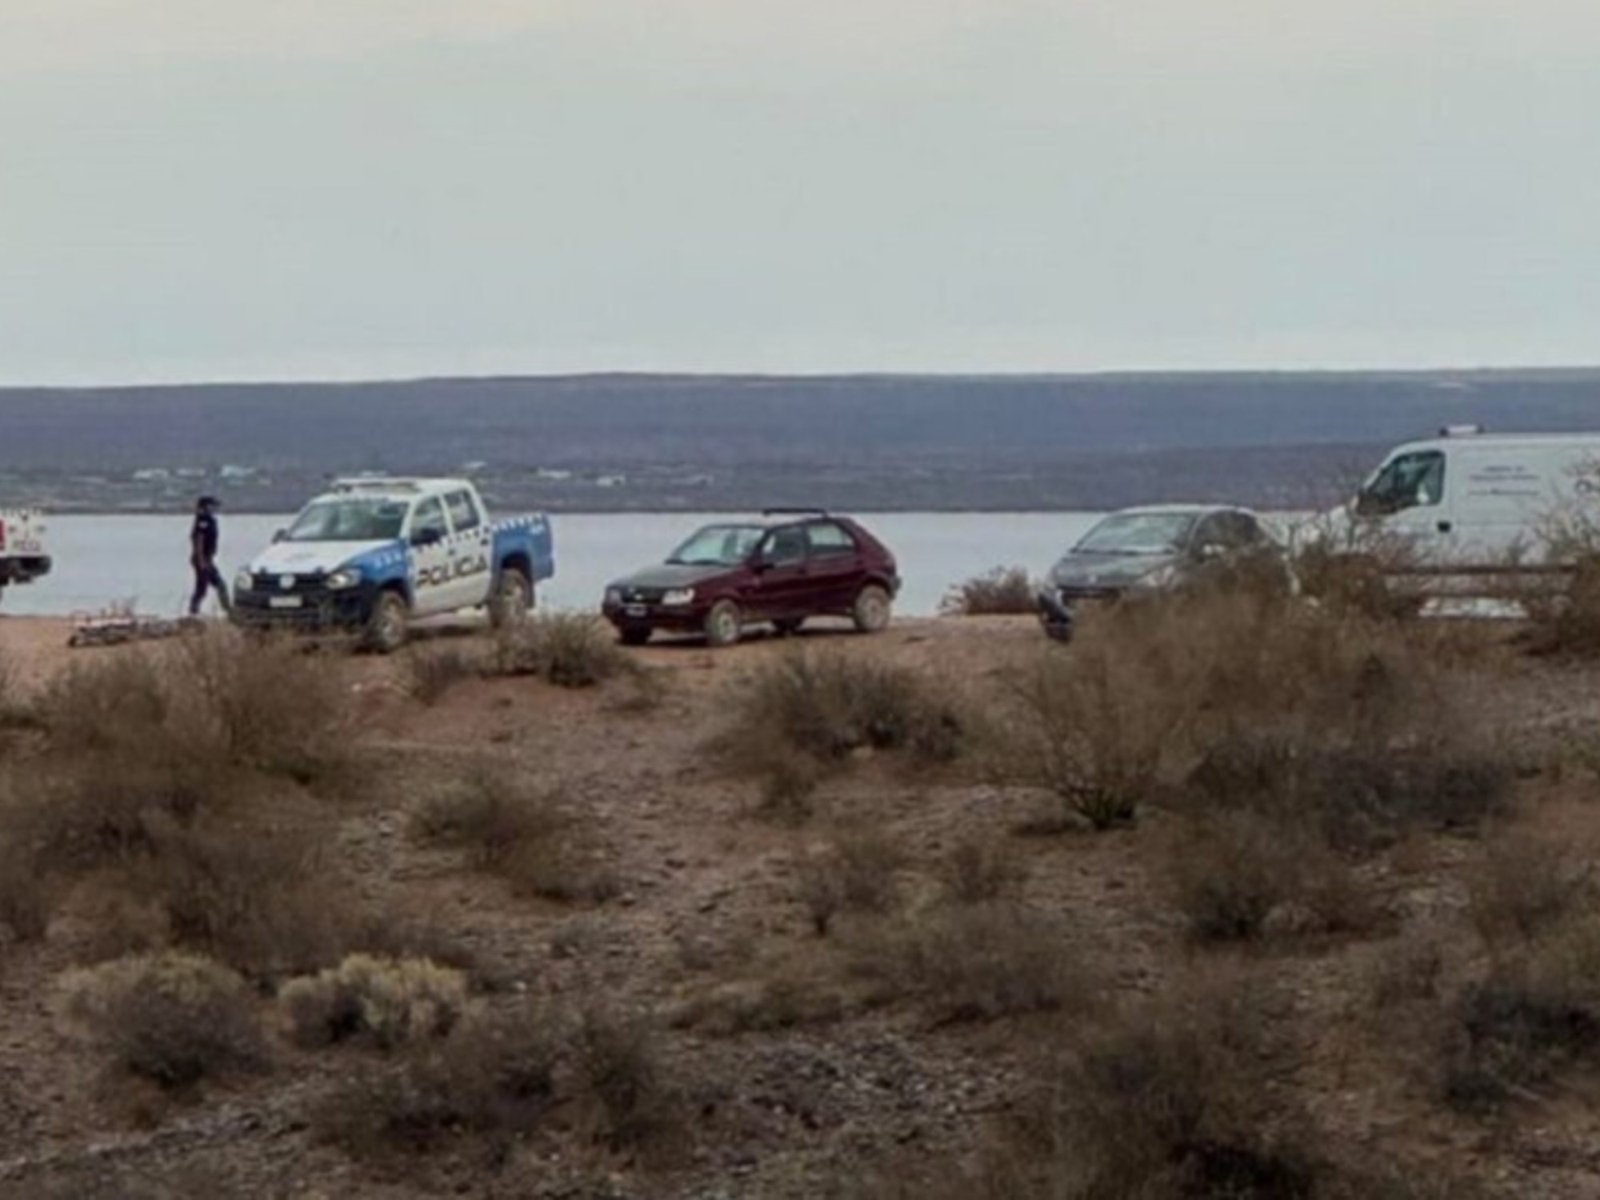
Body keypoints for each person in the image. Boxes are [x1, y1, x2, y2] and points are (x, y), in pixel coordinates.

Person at [189, 495, 230, 616]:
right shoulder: (202, 521)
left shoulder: (210, 520)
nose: (214, 508)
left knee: (219, 585)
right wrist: (201, 561)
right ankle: (193, 611)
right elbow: (198, 541)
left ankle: (228, 610)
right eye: (211, 506)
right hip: (202, 559)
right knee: (202, 588)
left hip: (208, 559)